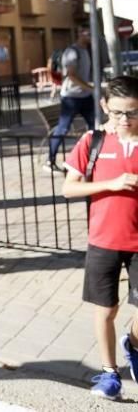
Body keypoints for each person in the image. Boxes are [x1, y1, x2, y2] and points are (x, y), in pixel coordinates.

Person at [61, 76, 138, 400]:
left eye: (133, 112)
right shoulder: (92, 141)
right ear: (105, 106)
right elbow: (69, 188)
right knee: (105, 310)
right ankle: (110, 374)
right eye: (118, 112)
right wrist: (111, 184)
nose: (124, 120)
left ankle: (131, 343)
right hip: (104, 239)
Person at [45, 28, 97, 174]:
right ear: (80, 34)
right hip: (72, 97)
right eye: (88, 34)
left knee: (95, 126)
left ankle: (93, 159)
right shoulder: (72, 52)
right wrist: (91, 88)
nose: (91, 37)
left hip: (85, 96)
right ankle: (50, 160)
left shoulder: (86, 51)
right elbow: (71, 76)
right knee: (63, 127)